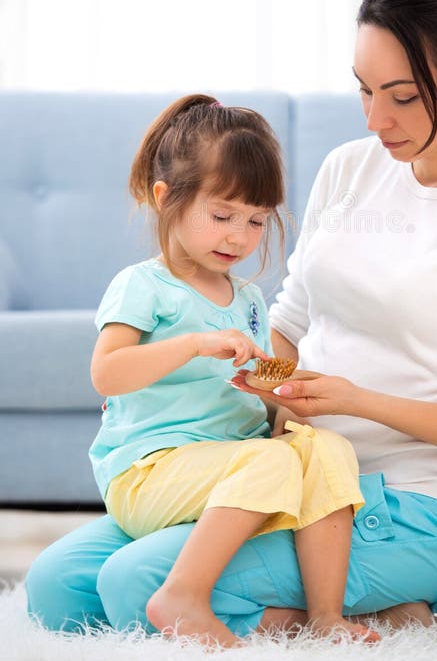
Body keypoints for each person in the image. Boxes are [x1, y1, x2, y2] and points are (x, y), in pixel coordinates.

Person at [26, 0, 437, 639]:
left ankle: (370, 606)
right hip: (284, 475)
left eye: (401, 96)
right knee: (54, 588)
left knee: (135, 582)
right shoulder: (350, 168)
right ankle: (371, 613)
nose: (376, 120)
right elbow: (284, 323)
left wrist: (351, 401)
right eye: (363, 90)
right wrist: (197, 375)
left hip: (402, 506)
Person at [82, 93, 376, 647]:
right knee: (269, 463)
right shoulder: (143, 285)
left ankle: (325, 615)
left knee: (329, 448)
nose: (239, 237)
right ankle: (182, 596)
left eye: (256, 221)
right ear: (166, 198)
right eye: (222, 216)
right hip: (151, 471)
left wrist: (285, 396)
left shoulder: (246, 299)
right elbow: (107, 374)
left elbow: (257, 384)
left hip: (228, 466)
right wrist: (194, 344)